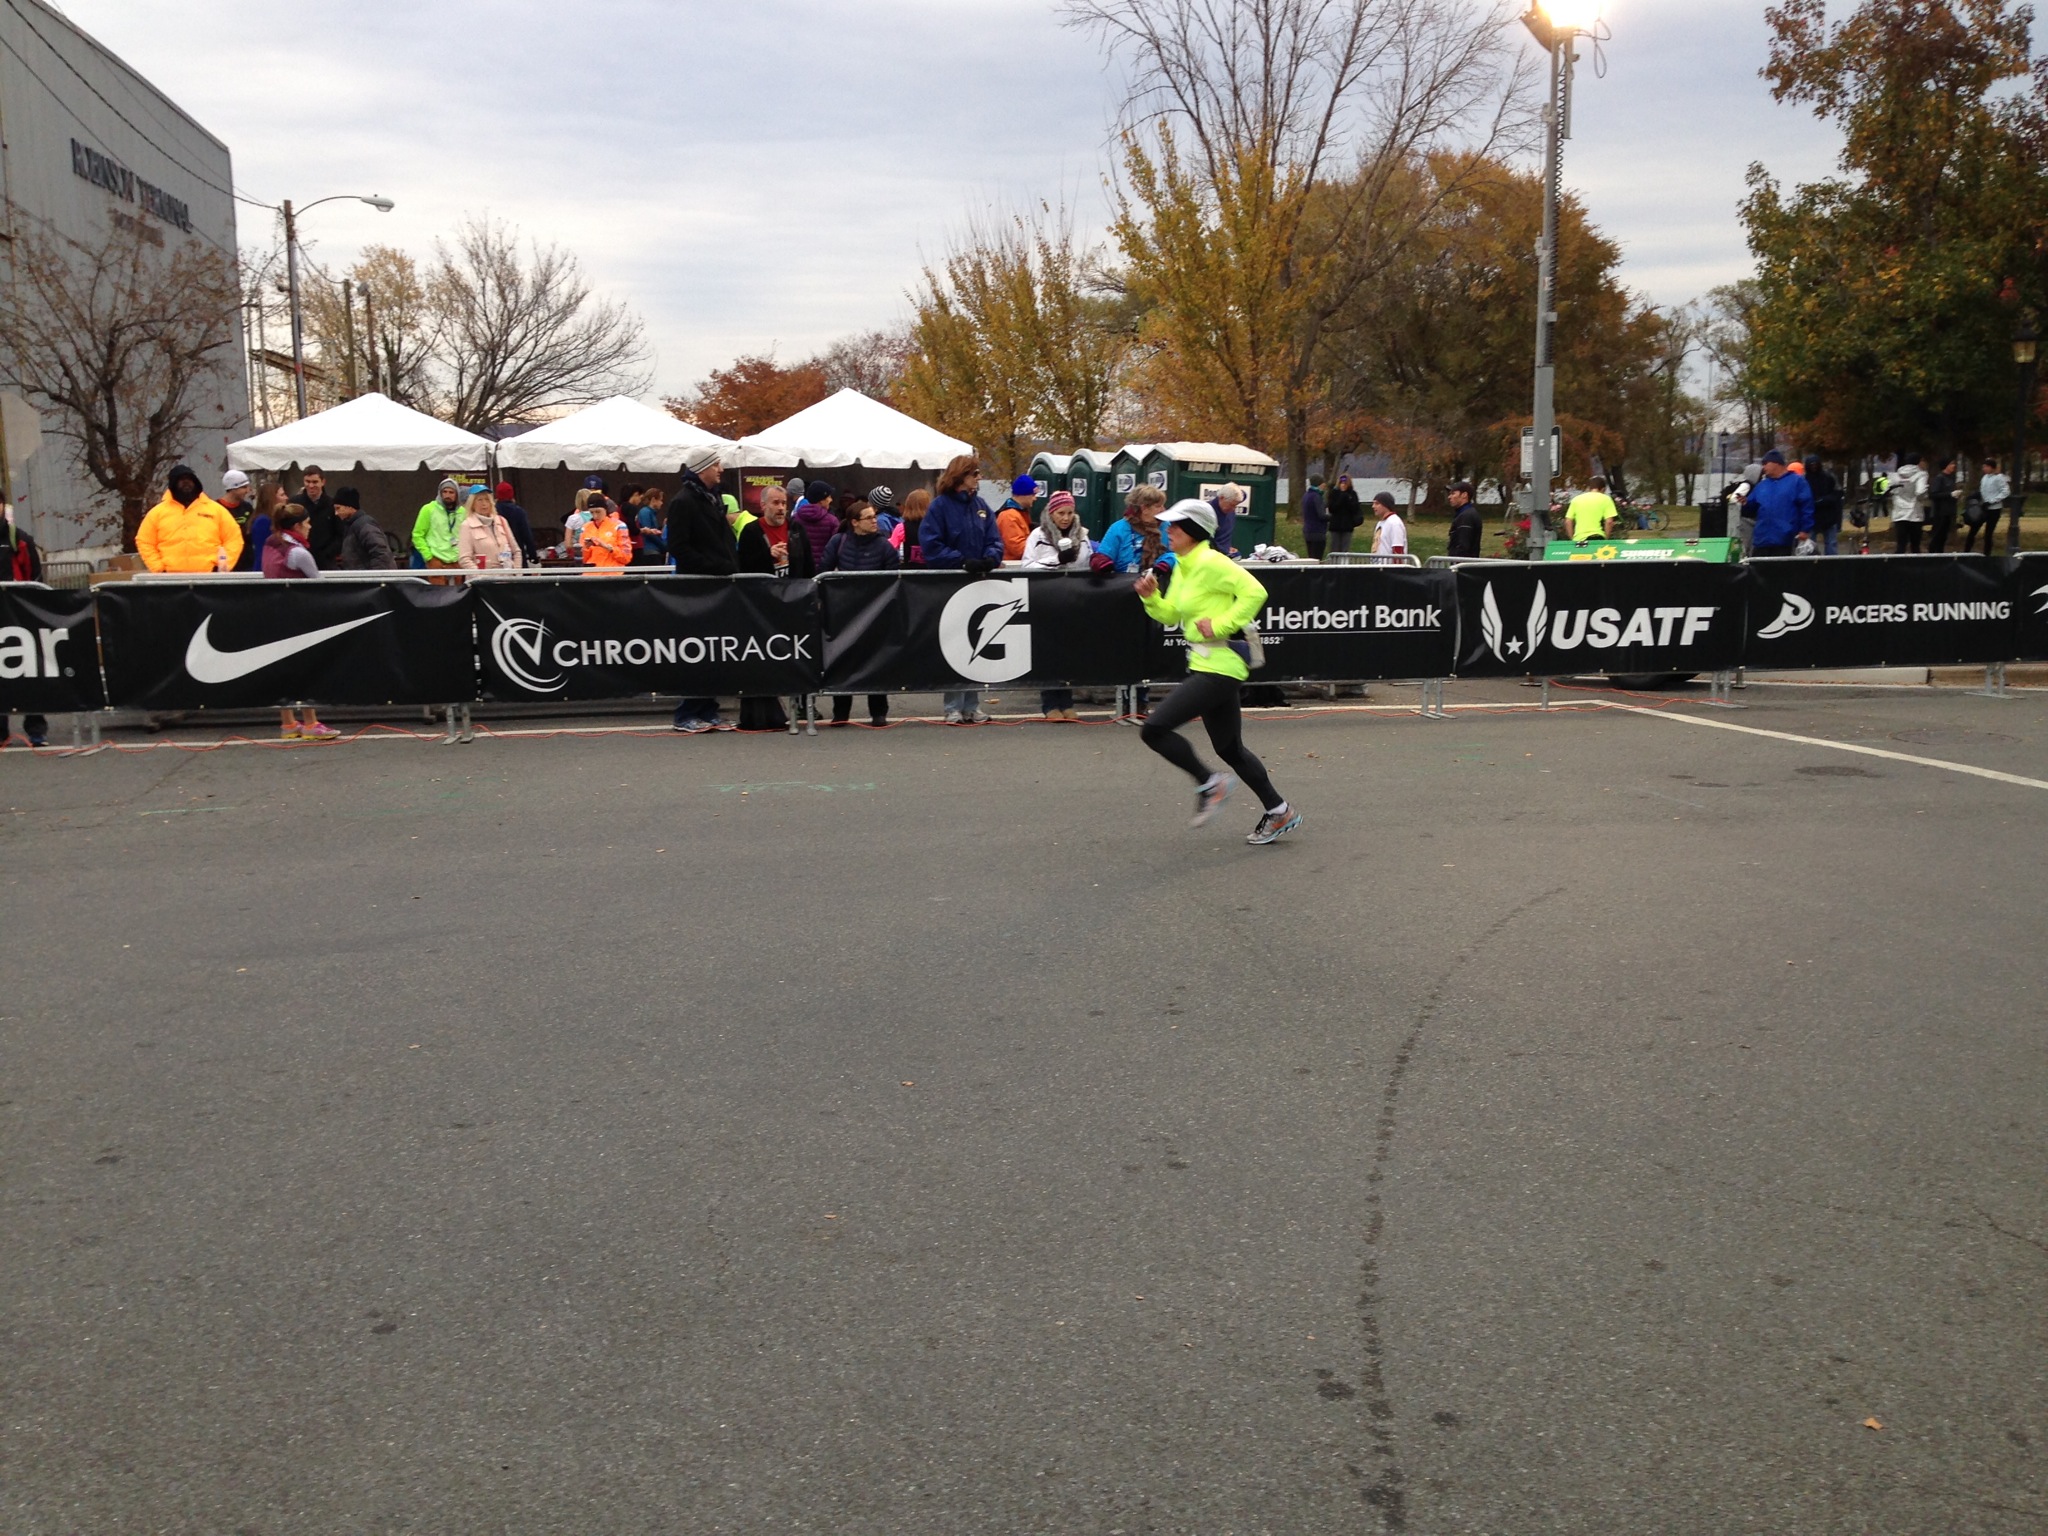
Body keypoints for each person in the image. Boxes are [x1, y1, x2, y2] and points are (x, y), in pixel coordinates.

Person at [1134, 499, 1301, 846]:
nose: (1168, 530)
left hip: (1220, 667)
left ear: (1193, 531)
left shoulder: (1211, 561)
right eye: (1168, 524)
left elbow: (1256, 592)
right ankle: (1279, 810)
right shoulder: (1183, 565)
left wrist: (1222, 624)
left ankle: (1210, 783)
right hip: (1206, 664)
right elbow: (1171, 614)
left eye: (1175, 525)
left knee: (1154, 729)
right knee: (1230, 748)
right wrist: (1151, 598)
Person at [920, 455, 1006, 724]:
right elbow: (931, 546)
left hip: (979, 584)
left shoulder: (981, 506)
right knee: (956, 643)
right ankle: (953, 706)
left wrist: (991, 557)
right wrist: (961, 561)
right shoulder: (939, 507)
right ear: (961, 475)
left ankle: (972, 704)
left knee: (977, 642)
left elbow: (995, 539)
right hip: (951, 584)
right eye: (975, 473)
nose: (979, 477)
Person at [666, 444, 738, 732]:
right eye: (716, 464)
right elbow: (678, 546)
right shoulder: (684, 501)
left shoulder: (711, 497)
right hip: (696, 586)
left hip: (715, 584)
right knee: (696, 650)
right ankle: (686, 712)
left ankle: (708, 709)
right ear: (702, 468)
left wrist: (730, 564)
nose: (721, 469)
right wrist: (715, 566)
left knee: (713, 649)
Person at [258, 505, 338, 741]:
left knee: (283, 669)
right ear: (296, 526)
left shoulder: (270, 543)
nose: (310, 526)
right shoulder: (298, 553)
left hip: (274, 613)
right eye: (307, 522)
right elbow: (317, 582)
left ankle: (288, 723)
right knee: (306, 668)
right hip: (298, 616)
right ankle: (311, 723)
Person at [820, 496, 898, 727]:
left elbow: (894, 578)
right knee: (842, 661)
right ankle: (841, 713)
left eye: (875, 517)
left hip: (875, 612)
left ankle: (879, 712)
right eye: (869, 518)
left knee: (876, 662)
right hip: (843, 613)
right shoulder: (838, 541)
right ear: (854, 522)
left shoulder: (884, 546)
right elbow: (823, 571)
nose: (875, 521)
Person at [1022, 490, 1092, 721]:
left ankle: (1067, 701)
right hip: (1046, 598)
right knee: (1049, 651)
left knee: (1069, 651)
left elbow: (1086, 563)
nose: (1065, 518)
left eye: (1070, 513)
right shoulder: (1037, 535)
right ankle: (1050, 704)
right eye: (1061, 513)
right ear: (1051, 513)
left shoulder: (1082, 534)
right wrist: (1056, 560)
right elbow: (1027, 565)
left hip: (1072, 598)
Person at [137, 464, 242, 573]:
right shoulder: (157, 513)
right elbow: (144, 541)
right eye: (181, 479)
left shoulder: (216, 510)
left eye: (190, 479)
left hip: (209, 577)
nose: (186, 482)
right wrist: (159, 569)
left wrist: (221, 566)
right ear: (172, 484)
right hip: (170, 578)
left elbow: (234, 538)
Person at [1, 508, 48, 747]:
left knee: (30, 670)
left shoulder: (20, 539)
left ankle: (36, 729)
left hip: (20, 614)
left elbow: (35, 576)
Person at [1742, 449, 1815, 557]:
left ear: (1776, 463)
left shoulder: (1797, 482)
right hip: (1762, 541)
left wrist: (1805, 529)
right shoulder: (1762, 485)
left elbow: (1807, 507)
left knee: (1782, 567)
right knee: (1758, 567)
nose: (1763, 467)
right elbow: (1751, 508)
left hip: (1786, 540)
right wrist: (1745, 503)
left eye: (1765, 463)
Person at [288, 465, 342, 568]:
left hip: (326, 562)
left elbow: (340, 534)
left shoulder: (332, 504)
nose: (311, 485)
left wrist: (327, 554)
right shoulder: (294, 503)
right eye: (307, 482)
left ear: (323, 482)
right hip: (300, 558)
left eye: (315, 482)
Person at [458, 486, 524, 570]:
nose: (484, 503)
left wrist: (516, 573)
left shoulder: (502, 521)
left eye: (487, 499)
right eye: (480, 500)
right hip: (484, 576)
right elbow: (464, 559)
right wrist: (480, 575)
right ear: (472, 504)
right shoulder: (467, 525)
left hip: (507, 575)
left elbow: (516, 551)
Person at [333, 487, 394, 569]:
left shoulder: (364, 524)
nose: (336, 513)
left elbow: (381, 553)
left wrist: (375, 575)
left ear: (349, 507)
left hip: (369, 575)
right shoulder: (352, 525)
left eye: (338, 508)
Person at [411, 479, 463, 569]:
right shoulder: (428, 509)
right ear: (440, 493)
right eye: (444, 492)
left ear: (457, 495)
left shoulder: (462, 512)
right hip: (436, 559)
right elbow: (417, 535)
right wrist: (429, 557)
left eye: (451, 492)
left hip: (456, 560)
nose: (447, 495)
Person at [792, 480, 840, 569]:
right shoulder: (832, 521)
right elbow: (837, 548)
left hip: (801, 568)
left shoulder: (795, 518)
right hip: (824, 570)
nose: (831, 500)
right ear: (821, 500)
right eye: (829, 497)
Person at [1966, 458, 2009, 555]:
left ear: (1991, 467)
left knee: (1988, 533)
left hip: (1994, 509)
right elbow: (1983, 491)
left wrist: (1992, 501)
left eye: (1986, 467)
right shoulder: (1984, 478)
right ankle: (1966, 552)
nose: (1984, 469)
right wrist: (1974, 496)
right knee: (1973, 530)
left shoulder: (1999, 478)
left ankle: (1987, 555)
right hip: (1983, 508)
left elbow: (2005, 492)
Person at [577, 492, 630, 570]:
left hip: (613, 572)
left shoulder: (619, 526)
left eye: (598, 512)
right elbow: (582, 560)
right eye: (591, 512)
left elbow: (626, 558)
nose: (595, 516)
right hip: (591, 573)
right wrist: (586, 548)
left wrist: (607, 547)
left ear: (605, 509)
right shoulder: (585, 528)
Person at [1888, 453, 1928, 553]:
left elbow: (1890, 490)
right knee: (1915, 545)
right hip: (1915, 514)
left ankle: (1898, 562)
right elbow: (1920, 492)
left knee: (1901, 544)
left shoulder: (1896, 475)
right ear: (1918, 462)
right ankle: (1915, 563)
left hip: (1899, 513)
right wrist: (1925, 494)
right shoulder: (1921, 474)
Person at [217, 469, 257, 569]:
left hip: (246, 561)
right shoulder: (216, 508)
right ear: (233, 488)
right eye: (244, 487)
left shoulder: (247, 507)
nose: (247, 491)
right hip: (226, 561)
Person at [494, 482, 540, 566]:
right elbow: (527, 536)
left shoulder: (493, 512)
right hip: (518, 554)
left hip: (497, 555)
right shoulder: (519, 512)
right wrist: (533, 555)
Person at [1805, 459, 1843, 555]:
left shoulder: (1828, 477)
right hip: (1811, 517)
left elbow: (1838, 493)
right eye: (1811, 465)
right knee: (1809, 546)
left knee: (1831, 545)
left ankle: (1830, 562)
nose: (1813, 467)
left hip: (1829, 516)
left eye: (1815, 464)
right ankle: (1810, 562)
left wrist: (1823, 500)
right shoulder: (1804, 479)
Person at [996, 474, 1038, 560]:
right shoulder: (1009, 516)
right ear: (1023, 495)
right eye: (1033, 495)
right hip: (1012, 565)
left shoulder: (1020, 513)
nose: (1035, 498)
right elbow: (1019, 549)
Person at [1565, 475, 1619, 541]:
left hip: (1579, 539)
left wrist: (1572, 538)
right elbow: (1609, 522)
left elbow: (1568, 521)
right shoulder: (1606, 499)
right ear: (1603, 489)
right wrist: (1606, 538)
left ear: (1589, 488)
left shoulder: (1576, 499)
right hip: (1598, 537)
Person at [246, 482, 286, 568]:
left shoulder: (274, 519)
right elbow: (262, 550)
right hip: (265, 568)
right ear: (272, 498)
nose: (286, 498)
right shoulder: (263, 521)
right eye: (282, 495)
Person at [1926, 458, 1958, 553]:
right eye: (1951, 464)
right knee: (1937, 534)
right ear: (1946, 466)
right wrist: (1950, 494)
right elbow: (1933, 494)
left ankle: (1940, 553)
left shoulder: (1950, 478)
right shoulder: (1939, 478)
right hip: (1940, 511)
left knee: (1944, 535)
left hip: (1949, 511)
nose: (1953, 466)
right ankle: (1932, 552)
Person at [1445, 481, 1483, 558]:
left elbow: (1463, 546)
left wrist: (1457, 562)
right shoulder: (1464, 514)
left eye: (1453, 494)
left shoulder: (1466, 516)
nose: (1449, 497)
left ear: (1464, 495)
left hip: (1463, 563)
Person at [1327, 473, 1363, 553]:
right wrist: (1341, 498)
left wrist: (1347, 499)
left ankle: (1344, 561)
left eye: (1345, 483)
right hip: (1335, 526)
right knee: (1334, 548)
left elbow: (1355, 509)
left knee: (1345, 549)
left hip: (1347, 526)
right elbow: (1332, 508)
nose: (1343, 485)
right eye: (1341, 483)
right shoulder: (1334, 493)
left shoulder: (1352, 494)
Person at [1207, 482, 1245, 556]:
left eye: (1236, 506)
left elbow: (1244, 494)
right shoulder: (1207, 512)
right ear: (1222, 498)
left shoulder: (1229, 504)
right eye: (1231, 505)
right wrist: (1225, 550)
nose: (1233, 509)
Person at [896, 487, 930, 566]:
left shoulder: (901, 527)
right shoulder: (935, 526)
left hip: (909, 571)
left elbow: (890, 548)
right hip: (933, 570)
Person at [1371, 492, 1408, 556]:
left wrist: (1396, 562)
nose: (1373, 506)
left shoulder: (1395, 523)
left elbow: (1398, 548)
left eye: (1377, 503)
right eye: (1373, 503)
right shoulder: (1380, 523)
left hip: (1388, 562)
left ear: (1386, 505)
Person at [1300, 475, 1327, 560]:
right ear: (1319, 484)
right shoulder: (1316, 496)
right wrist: (1334, 517)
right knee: (1317, 558)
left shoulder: (1306, 495)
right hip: (1317, 532)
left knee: (1311, 557)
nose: (1324, 485)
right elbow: (1321, 515)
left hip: (1307, 531)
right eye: (1323, 483)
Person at [637, 486, 668, 560]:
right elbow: (649, 533)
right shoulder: (646, 512)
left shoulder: (648, 513)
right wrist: (663, 546)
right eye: (660, 500)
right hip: (650, 550)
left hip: (652, 549)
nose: (662, 503)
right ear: (653, 499)